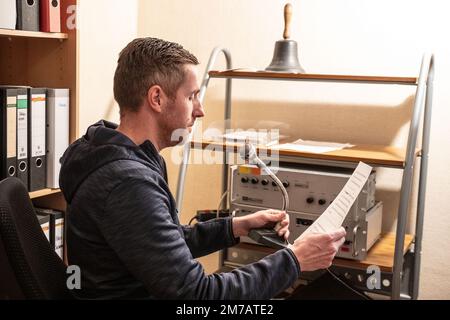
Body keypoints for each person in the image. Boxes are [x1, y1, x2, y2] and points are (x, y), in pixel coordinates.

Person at [59, 37, 346, 299]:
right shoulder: (128, 182)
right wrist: (295, 261)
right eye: (191, 96)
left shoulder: (113, 153)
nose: (200, 110)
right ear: (157, 99)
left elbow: (161, 245)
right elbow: (198, 296)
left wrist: (235, 227)